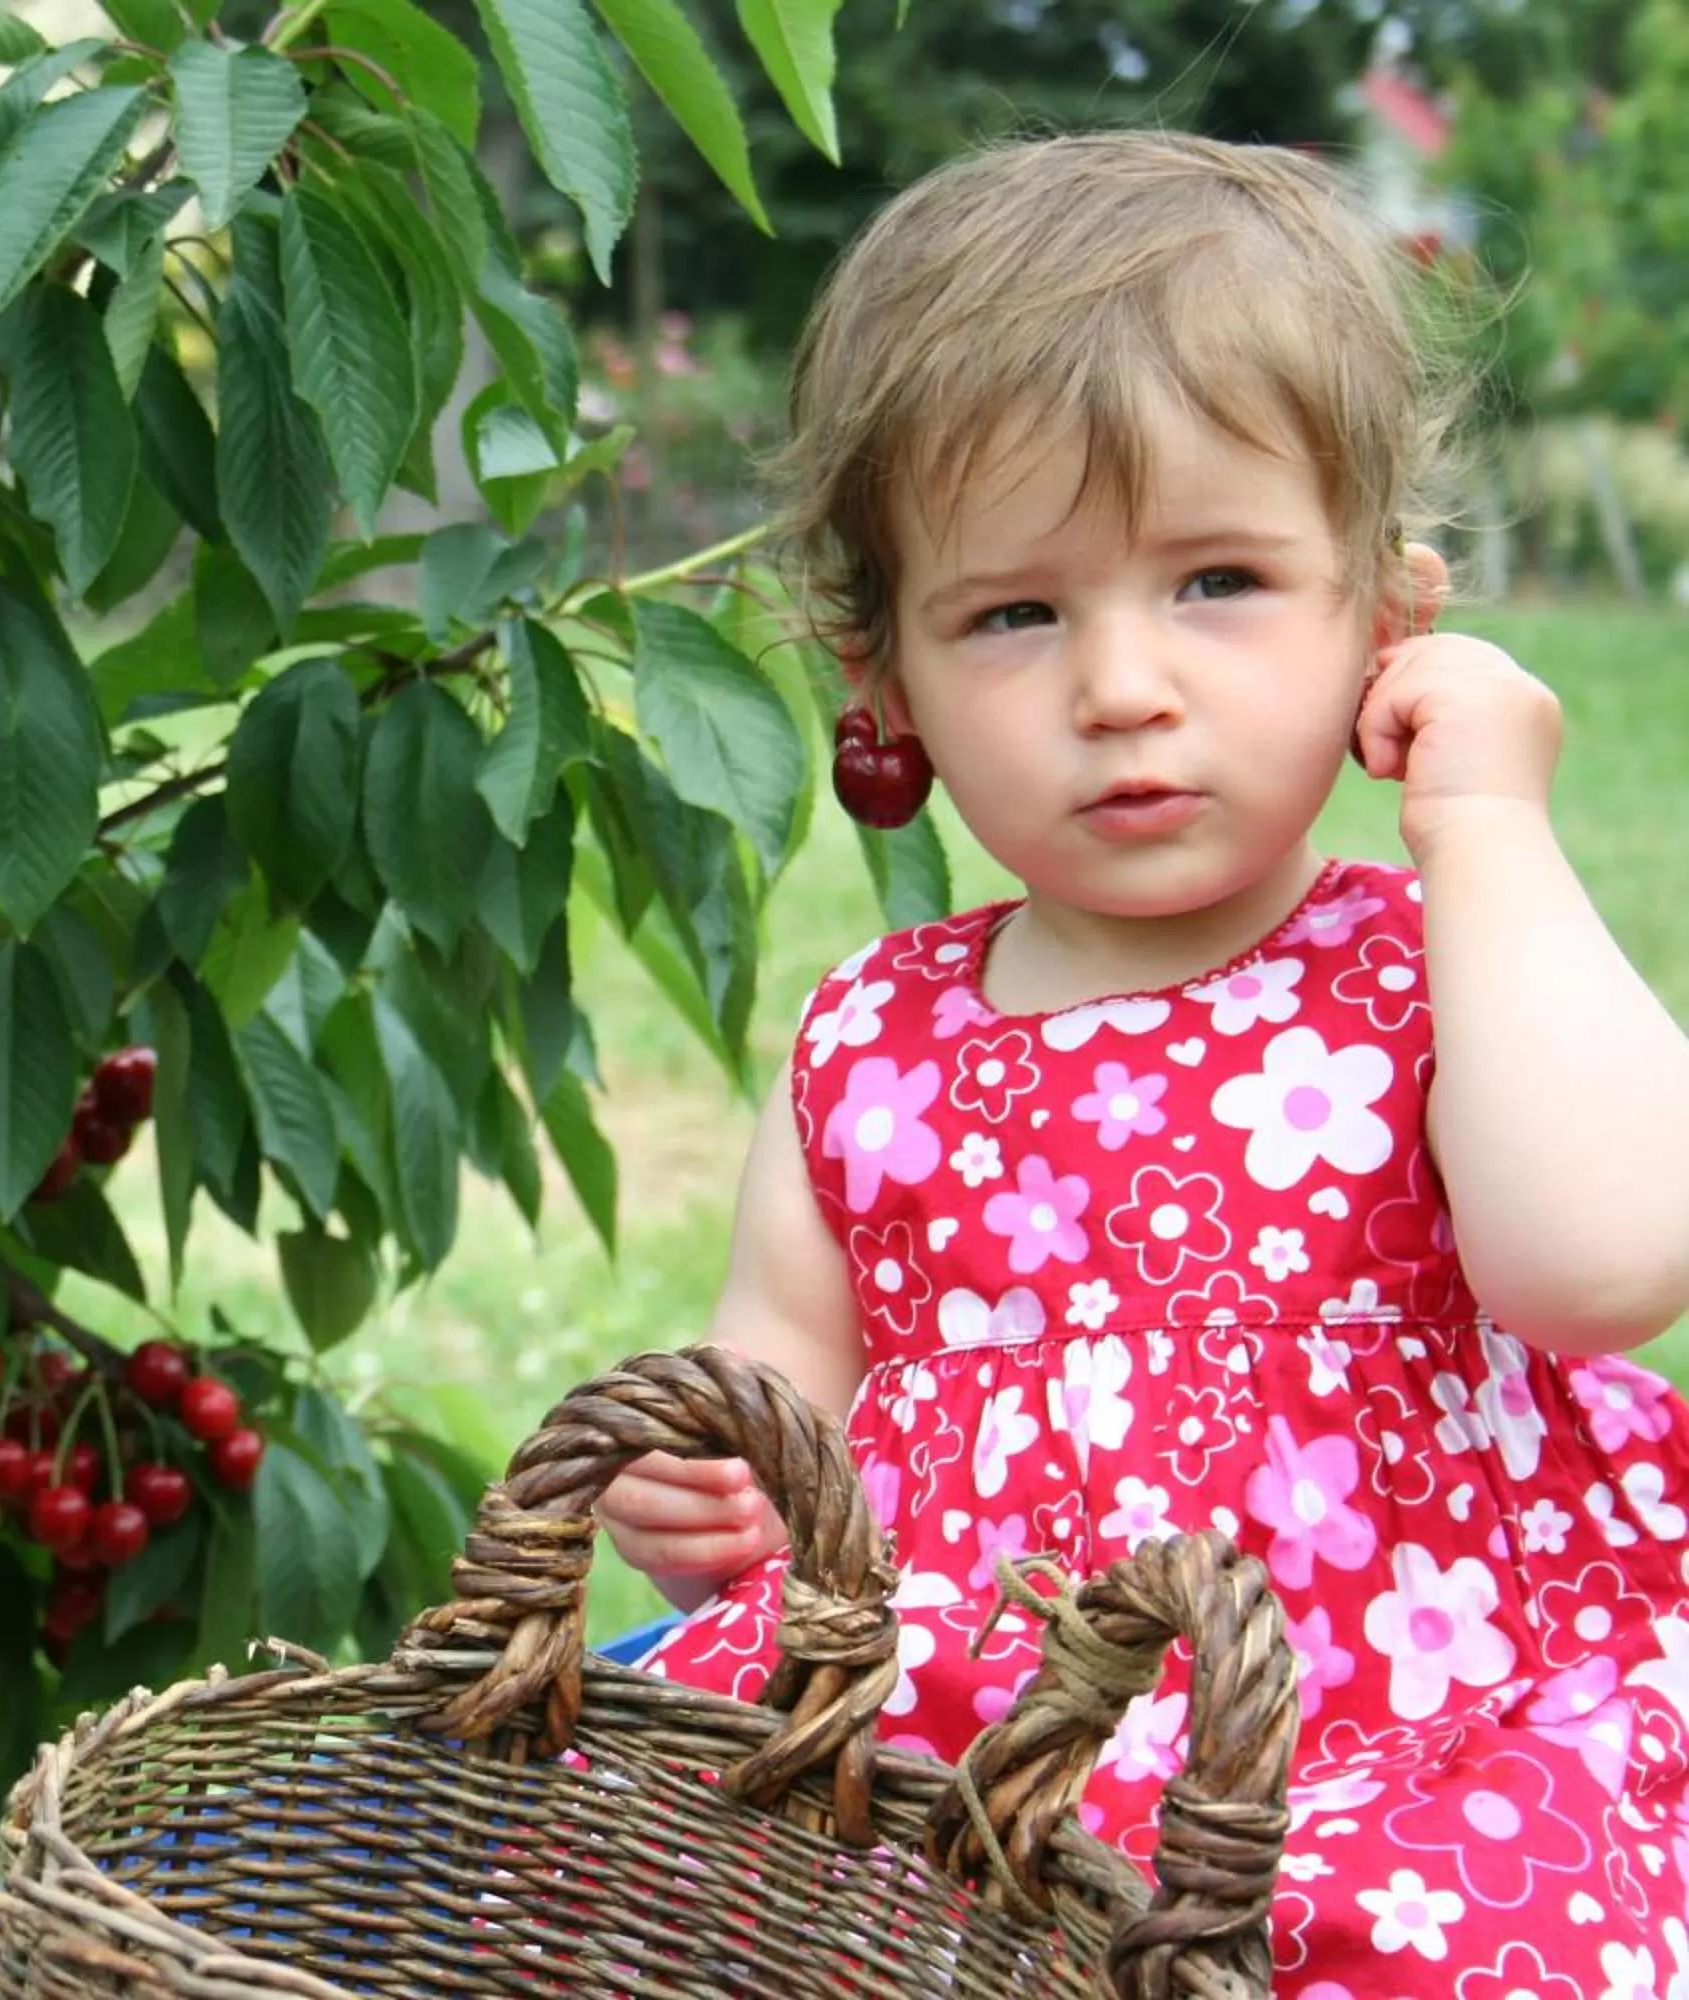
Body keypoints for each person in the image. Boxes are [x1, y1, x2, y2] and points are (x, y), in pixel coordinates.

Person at [596, 129, 1689, 1995]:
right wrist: (715, 1496)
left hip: (1387, 1743)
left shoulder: (1429, 963)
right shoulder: (874, 1033)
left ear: (1387, 619)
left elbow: (1601, 1269)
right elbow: (784, 1373)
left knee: (1462, 1941)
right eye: (1016, 613)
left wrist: (1489, 825)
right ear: (885, 686)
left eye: (1219, 582)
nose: (1121, 685)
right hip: (968, 1764)